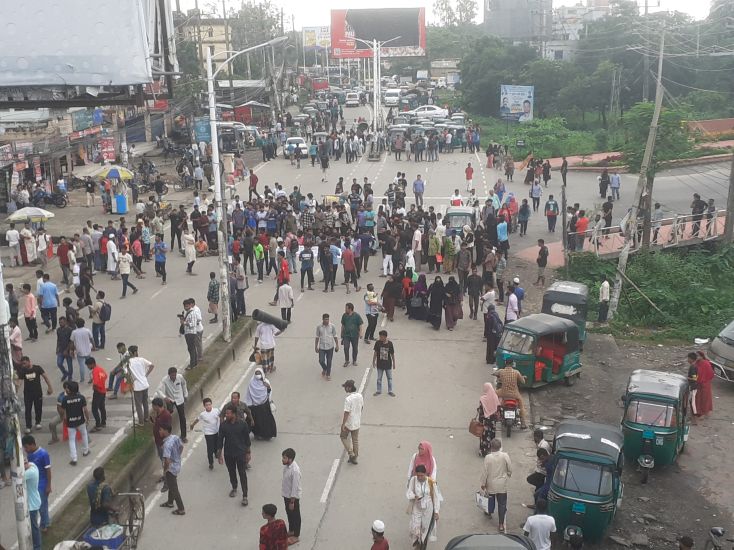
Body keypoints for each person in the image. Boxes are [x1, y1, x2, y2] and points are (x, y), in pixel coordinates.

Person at [218, 405, 251, 506]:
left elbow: (247, 439)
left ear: (234, 414)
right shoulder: (223, 425)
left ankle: (245, 495)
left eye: (228, 413)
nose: (226, 415)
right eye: (226, 413)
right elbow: (220, 440)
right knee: (231, 472)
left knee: (242, 474)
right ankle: (234, 487)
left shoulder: (242, 424)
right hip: (229, 454)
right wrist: (220, 455)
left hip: (240, 453)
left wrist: (248, 453)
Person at [479, 438, 512, 532]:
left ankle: (489, 512)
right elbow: (510, 468)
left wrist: (483, 483)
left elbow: (485, 472)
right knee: (502, 504)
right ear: (500, 447)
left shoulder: (488, 457)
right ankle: (501, 524)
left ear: (491, 447)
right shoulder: (505, 456)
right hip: (502, 484)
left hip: (491, 483)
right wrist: (508, 474)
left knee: (490, 498)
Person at [22, 435, 52, 532]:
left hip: (42, 485)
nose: (25, 449)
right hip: (33, 484)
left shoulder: (43, 454)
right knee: (36, 505)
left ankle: (45, 524)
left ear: (32, 444)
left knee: (42, 506)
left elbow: (48, 471)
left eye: (26, 447)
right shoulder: (30, 454)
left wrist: (48, 486)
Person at [407, 464, 441, 548]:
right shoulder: (413, 480)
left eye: (422, 475)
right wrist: (414, 496)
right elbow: (409, 492)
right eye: (418, 475)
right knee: (415, 527)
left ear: (425, 474)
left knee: (425, 528)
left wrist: (436, 511)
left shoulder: (431, 482)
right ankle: (417, 542)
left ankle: (422, 545)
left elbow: (436, 497)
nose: (420, 477)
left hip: (428, 509)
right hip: (417, 508)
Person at [18, 356, 53, 434]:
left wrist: (50, 387)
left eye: (24, 363)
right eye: (22, 364)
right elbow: (20, 382)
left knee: (38, 408)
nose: (23, 365)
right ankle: (28, 426)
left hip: (37, 393)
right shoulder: (23, 371)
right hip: (27, 394)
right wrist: (16, 388)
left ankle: (38, 422)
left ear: (29, 361)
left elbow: (45, 377)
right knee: (28, 409)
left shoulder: (37, 368)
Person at [155, 367, 189, 442]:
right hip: (170, 400)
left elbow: (184, 384)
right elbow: (158, 389)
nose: (173, 377)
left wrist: (185, 394)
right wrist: (164, 397)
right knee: (167, 417)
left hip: (180, 399)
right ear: (169, 375)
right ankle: (167, 436)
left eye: (174, 375)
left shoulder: (180, 377)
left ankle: (183, 436)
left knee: (182, 418)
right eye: (172, 375)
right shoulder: (165, 379)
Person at [61, 381, 90, 466]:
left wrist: (65, 420)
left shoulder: (65, 399)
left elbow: (64, 412)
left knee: (72, 440)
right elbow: (85, 410)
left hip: (70, 422)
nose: (66, 389)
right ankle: (86, 451)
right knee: (84, 435)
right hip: (80, 420)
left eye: (67, 388)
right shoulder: (81, 397)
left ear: (69, 390)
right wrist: (87, 419)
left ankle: (74, 458)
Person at [159, 424, 185, 515]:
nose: (159, 431)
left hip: (171, 469)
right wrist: (177, 456)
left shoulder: (167, 444)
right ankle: (170, 502)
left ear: (166, 431)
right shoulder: (175, 437)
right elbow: (181, 447)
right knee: (171, 485)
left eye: (161, 429)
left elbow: (167, 460)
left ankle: (181, 509)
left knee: (174, 488)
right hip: (177, 464)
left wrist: (165, 470)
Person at [494, 359, 528, 428]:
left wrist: (496, 375)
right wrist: (523, 378)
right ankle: (523, 423)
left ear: (505, 364)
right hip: (515, 394)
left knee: (494, 394)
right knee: (521, 406)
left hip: (503, 392)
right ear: (512, 364)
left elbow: (495, 373)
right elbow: (523, 382)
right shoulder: (516, 372)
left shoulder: (501, 371)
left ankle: (495, 412)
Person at [244, 367, 277, 440]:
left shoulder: (266, 382)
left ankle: (268, 435)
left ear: (262, 374)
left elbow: (269, 392)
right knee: (256, 421)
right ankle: (257, 434)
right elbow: (249, 394)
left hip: (264, 405)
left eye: (259, 373)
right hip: (255, 406)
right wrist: (249, 404)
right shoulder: (251, 383)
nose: (258, 375)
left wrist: (268, 387)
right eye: (256, 373)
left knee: (266, 420)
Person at [127, 345, 154, 426]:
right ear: (135, 352)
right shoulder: (141, 359)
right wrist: (146, 375)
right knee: (145, 402)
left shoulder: (129, 362)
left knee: (138, 405)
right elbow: (152, 365)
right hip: (145, 384)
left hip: (137, 386)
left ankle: (141, 422)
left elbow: (127, 374)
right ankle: (146, 418)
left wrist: (130, 384)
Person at [281, 448, 302, 545]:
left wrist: (292, 502)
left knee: (295, 516)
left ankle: (296, 535)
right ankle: (292, 530)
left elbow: (295, 487)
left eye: (284, 458)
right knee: (289, 514)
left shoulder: (295, 470)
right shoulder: (287, 466)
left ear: (290, 459)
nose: (282, 459)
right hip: (286, 495)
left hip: (292, 498)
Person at [341, 379, 363, 465]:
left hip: (349, 423)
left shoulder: (348, 399)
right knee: (355, 440)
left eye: (345, 387)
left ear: (349, 388)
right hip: (357, 421)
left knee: (343, 437)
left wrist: (343, 424)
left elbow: (346, 412)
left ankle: (351, 453)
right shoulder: (360, 396)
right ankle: (354, 458)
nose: (344, 389)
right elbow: (361, 408)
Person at [477, 383, 500, 457]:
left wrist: (480, 420)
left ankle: (483, 451)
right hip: (493, 421)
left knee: (484, 436)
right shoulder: (495, 397)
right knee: (492, 435)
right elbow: (498, 408)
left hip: (485, 421)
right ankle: (492, 450)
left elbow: (481, 411)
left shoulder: (482, 399)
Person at [24, 457, 42, 550]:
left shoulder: (29, 472)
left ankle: (37, 547)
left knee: (34, 528)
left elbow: (16, 477)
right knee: (34, 526)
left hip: (32, 505)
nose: (25, 465)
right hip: (34, 501)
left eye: (25, 462)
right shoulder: (33, 465)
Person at [372, 330, 396, 397]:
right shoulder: (377, 343)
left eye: (381, 337)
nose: (380, 338)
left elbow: (392, 354)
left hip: (388, 364)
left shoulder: (390, 344)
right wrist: (373, 361)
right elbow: (375, 353)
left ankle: (390, 391)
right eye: (380, 336)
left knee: (389, 378)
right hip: (380, 364)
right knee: (379, 378)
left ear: (385, 337)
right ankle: (378, 390)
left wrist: (394, 363)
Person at [87, 357, 107, 431]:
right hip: (103, 391)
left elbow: (95, 383)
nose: (88, 367)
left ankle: (98, 425)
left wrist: (95, 387)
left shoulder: (95, 371)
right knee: (102, 407)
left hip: (98, 392)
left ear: (92, 364)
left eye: (88, 365)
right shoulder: (100, 368)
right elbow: (105, 376)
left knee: (94, 409)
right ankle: (103, 422)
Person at [341, 302, 363, 367]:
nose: (345, 309)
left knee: (355, 348)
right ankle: (347, 360)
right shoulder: (344, 315)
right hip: (346, 335)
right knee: (346, 347)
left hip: (354, 335)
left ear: (350, 309)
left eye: (346, 308)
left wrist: (360, 333)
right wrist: (341, 333)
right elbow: (343, 325)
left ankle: (354, 360)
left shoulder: (356, 316)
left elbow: (360, 324)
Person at [694, 351, 715, 418]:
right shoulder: (696, 363)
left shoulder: (706, 363)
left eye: (697, 356)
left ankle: (704, 413)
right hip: (698, 383)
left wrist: (704, 380)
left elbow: (711, 374)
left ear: (701, 356)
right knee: (698, 398)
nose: (696, 357)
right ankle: (698, 411)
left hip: (705, 384)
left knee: (704, 398)